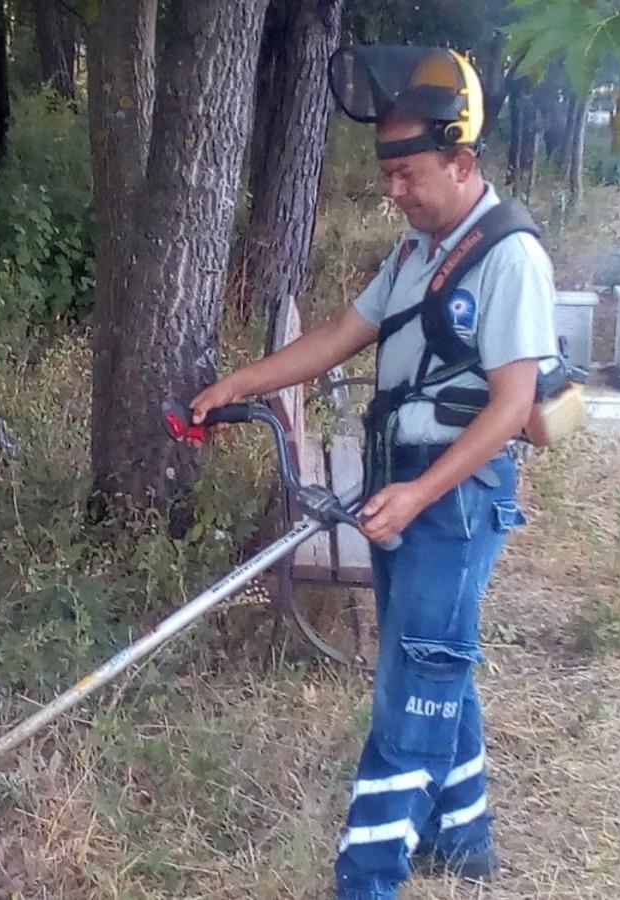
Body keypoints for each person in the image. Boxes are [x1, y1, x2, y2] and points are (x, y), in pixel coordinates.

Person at [190, 46, 559, 899]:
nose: (393, 191)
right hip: (403, 484)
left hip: (452, 498)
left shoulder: (510, 258)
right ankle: (464, 840)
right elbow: (338, 337)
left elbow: (513, 407)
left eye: (408, 175)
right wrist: (240, 383)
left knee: (413, 686)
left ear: (460, 161)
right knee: (431, 660)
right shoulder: (415, 252)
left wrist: (421, 492)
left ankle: (366, 879)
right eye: (386, 173)